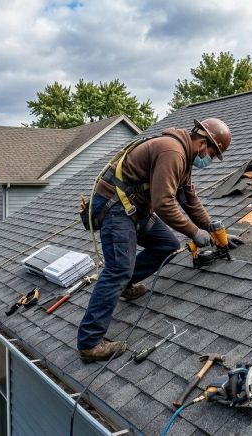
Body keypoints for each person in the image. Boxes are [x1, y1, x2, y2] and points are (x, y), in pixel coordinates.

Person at [77, 118, 232, 362]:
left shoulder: (184, 158)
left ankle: (126, 285)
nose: (210, 159)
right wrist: (193, 232)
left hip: (135, 209)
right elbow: (164, 203)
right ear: (203, 143)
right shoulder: (172, 152)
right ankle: (89, 343)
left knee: (167, 245)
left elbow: (188, 198)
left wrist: (210, 226)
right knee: (118, 269)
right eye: (213, 154)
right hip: (115, 207)